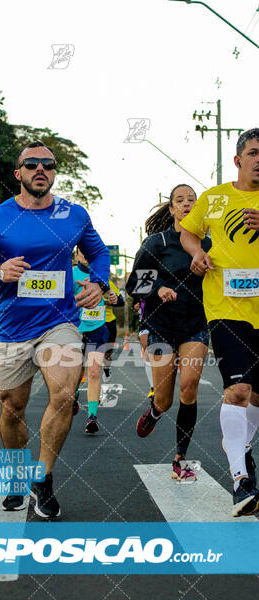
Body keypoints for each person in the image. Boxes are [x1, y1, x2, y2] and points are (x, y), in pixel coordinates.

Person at [0, 142, 110, 517]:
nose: (40, 169)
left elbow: (100, 253)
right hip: (12, 328)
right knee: (12, 407)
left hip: (59, 322)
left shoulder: (73, 215)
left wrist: (99, 283)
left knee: (62, 394)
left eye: (48, 164)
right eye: (32, 164)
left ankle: (42, 478)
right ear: (19, 173)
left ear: (54, 172)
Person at [180, 128, 259, 516]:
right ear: (238, 160)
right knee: (238, 391)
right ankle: (240, 481)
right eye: (255, 152)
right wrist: (196, 253)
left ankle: (241, 446)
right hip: (227, 308)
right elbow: (188, 233)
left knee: (257, 397)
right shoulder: (214, 200)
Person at [127, 185, 211, 482]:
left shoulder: (209, 244)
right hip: (161, 325)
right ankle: (154, 411)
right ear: (172, 209)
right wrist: (157, 288)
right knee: (164, 400)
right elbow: (133, 286)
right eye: (180, 200)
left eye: (192, 200)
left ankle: (180, 459)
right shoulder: (156, 243)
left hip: (195, 325)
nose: (187, 204)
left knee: (189, 387)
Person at [73, 248, 111, 434]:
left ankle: (92, 417)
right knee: (75, 374)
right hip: (74, 331)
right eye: (83, 252)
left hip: (97, 329)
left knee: (94, 372)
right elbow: (61, 301)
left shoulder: (101, 275)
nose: (87, 255)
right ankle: (73, 395)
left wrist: (112, 296)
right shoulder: (71, 274)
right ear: (77, 255)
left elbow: (114, 296)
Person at [102, 279, 125, 383]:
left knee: (108, 352)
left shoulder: (107, 283)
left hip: (109, 321)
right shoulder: (82, 281)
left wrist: (111, 301)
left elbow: (121, 301)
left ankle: (106, 369)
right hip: (89, 322)